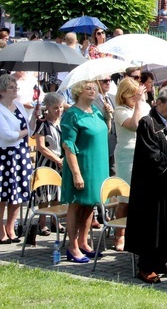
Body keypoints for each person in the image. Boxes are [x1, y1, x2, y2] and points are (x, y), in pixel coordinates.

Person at [126, 87, 167, 284]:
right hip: (154, 186)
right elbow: (152, 155)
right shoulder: (148, 123)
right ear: (159, 103)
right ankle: (146, 267)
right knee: (153, 226)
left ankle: (163, 261)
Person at [59, 80, 110, 263]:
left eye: (94, 88)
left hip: (98, 165)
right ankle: (72, 247)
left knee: (90, 205)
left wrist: (108, 117)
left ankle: (83, 241)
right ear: (79, 91)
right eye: (88, 88)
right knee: (76, 205)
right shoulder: (71, 115)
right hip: (81, 166)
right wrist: (76, 173)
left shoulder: (96, 111)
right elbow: (68, 146)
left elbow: (103, 133)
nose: (92, 91)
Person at [112, 77, 149, 251]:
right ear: (124, 95)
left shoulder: (144, 106)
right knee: (125, 197)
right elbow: (134, 125)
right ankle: (119, 235)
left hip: (143, 153)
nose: (135, 98)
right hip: (127, 155)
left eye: (137, 95)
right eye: (132, 95)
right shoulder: (120, 110)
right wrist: (139, 105)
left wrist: (142, 104)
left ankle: (137, 232)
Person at [0, 74, 36, 244]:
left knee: (17, 194)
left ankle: (11, 227)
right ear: (2, 91)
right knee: (3, 196)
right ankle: (0, 230)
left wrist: (35, 117)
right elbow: (7, 136)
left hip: (21, 155)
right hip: (5, 156)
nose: (15, 90)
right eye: (11, 88)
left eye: (16, 87)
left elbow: (30, 128)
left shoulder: (20, 106)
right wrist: (24, 133)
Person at [32, 92, 65, 236]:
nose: (59, 110)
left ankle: (55, 221)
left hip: (61, 161)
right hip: (47, 161)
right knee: (45, 194)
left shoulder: (63, 123)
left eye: (61, 107)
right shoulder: (43, 123)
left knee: (57, 193)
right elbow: (41, 146)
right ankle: (42, 223)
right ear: (48, 108)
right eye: (56, 108)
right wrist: (56, 159)